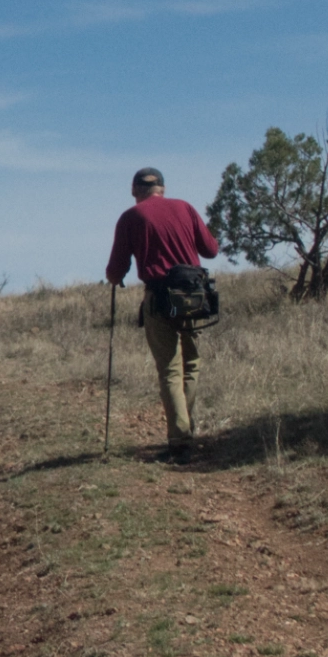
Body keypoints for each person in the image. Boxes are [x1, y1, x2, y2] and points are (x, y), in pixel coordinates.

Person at [105, 167, 219, 456]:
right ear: (163, 189)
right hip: (194, 296)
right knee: (191, 365)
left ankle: (180, 441)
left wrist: (116, 277)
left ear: (134, 191)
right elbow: (211, 250)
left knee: (169, 369)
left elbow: (116, 269)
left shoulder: (131, 217)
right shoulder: (185, 208)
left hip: (159, 297)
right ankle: (185, 429)